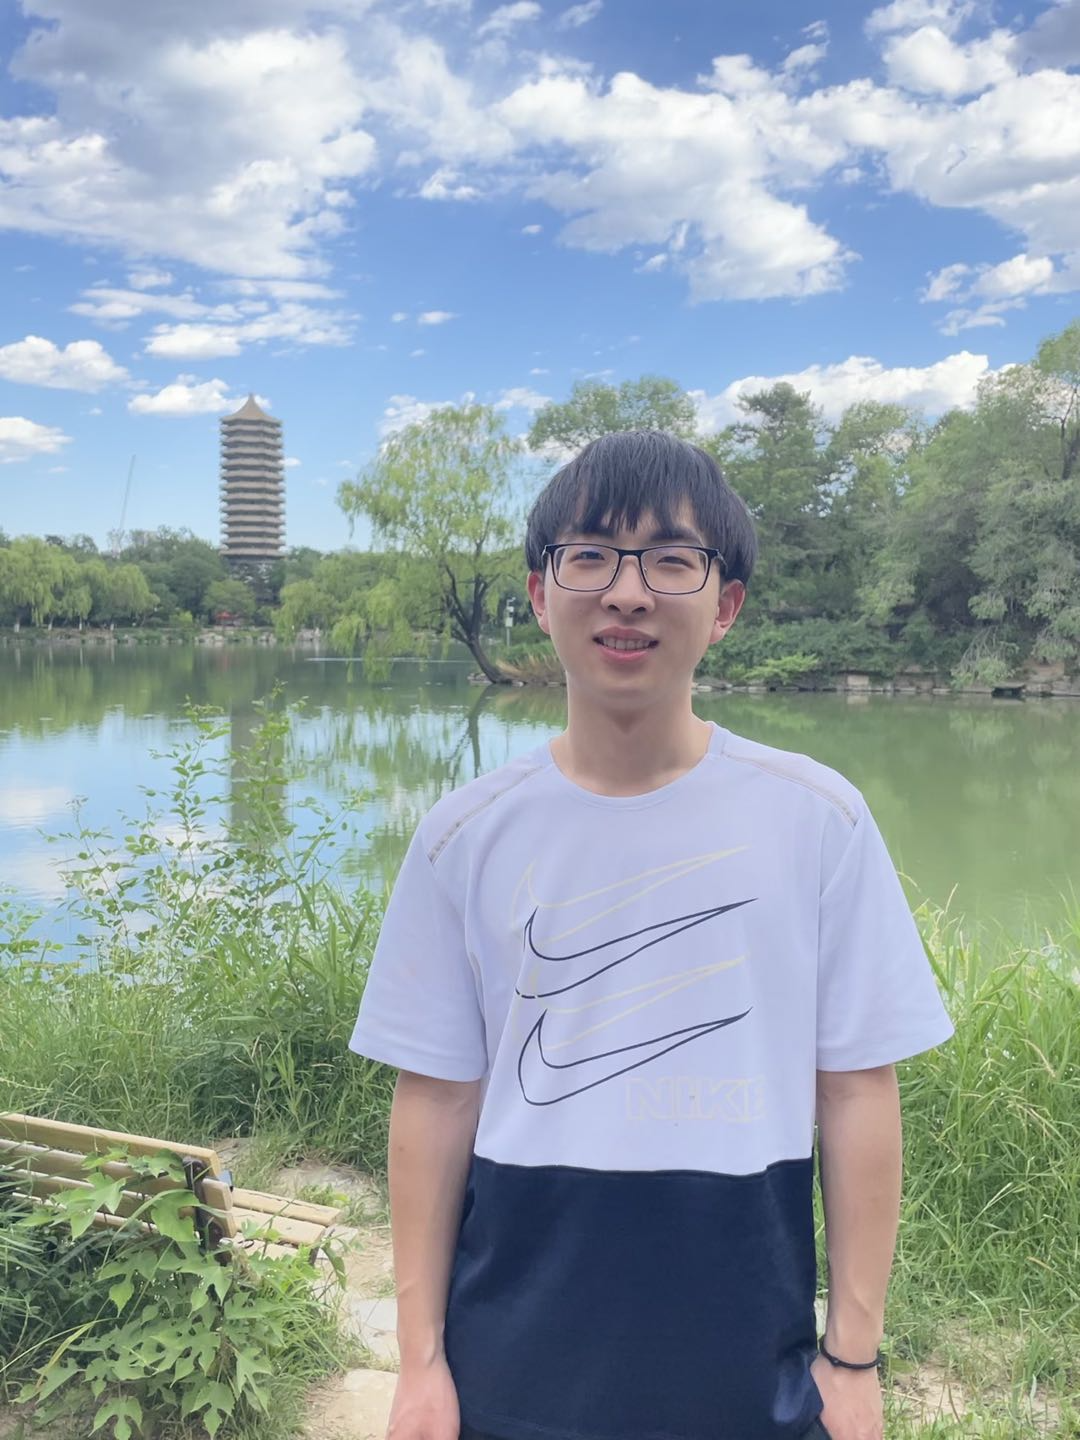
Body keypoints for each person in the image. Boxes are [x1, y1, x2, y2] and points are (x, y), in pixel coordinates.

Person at [349, 430, 954, 1440]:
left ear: (726, 605)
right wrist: (420, 1362)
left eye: (672, 560)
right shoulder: (464, 833)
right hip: (512, 1362)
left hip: (748, 1363)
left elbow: (856, 1090)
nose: (627, 594)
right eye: (590, 555)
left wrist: (852, 1357)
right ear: (540, 593)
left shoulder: (818, 819)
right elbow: (437, 1099)